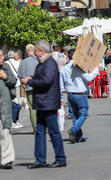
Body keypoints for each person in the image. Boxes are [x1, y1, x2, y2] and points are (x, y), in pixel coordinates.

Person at [21, 40, 67, 169]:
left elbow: (46, 81)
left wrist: (30, 82)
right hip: (43, 102)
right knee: (40, 132)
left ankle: (60, 158)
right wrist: (31, 79)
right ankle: (40, 160)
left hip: (48, 102)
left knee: (53, 131)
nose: (34, 53)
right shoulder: (44, 63)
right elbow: (43, 79)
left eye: (35, 50)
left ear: (41, 51)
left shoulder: (49, 63)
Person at [60, 49, 99, 143]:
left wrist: (61, 97)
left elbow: (61, 85)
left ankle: (78, 137)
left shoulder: (63, 69)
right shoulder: (79, 67)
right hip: (80, 93)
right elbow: (88, 78)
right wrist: (96, 69)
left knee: (75, 115)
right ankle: (74, 129)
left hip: (70, 94)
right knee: (83, 114)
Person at [18, 44, 39, 134]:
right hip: (39, 86)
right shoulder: (39, 60)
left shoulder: (23, 62)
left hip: (29, 87)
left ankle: (35, 128)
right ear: (34, 50)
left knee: (32, 108)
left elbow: (20, 75)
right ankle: (44, 127)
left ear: (26, 51)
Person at [5, 50, 23, 129]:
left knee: (9, 103)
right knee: (17, 103)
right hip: (17, 84)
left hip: (7, 85)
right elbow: (20, 73)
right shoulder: (18, 63)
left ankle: (10, 120)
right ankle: (16, 120)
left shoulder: (5, 64)